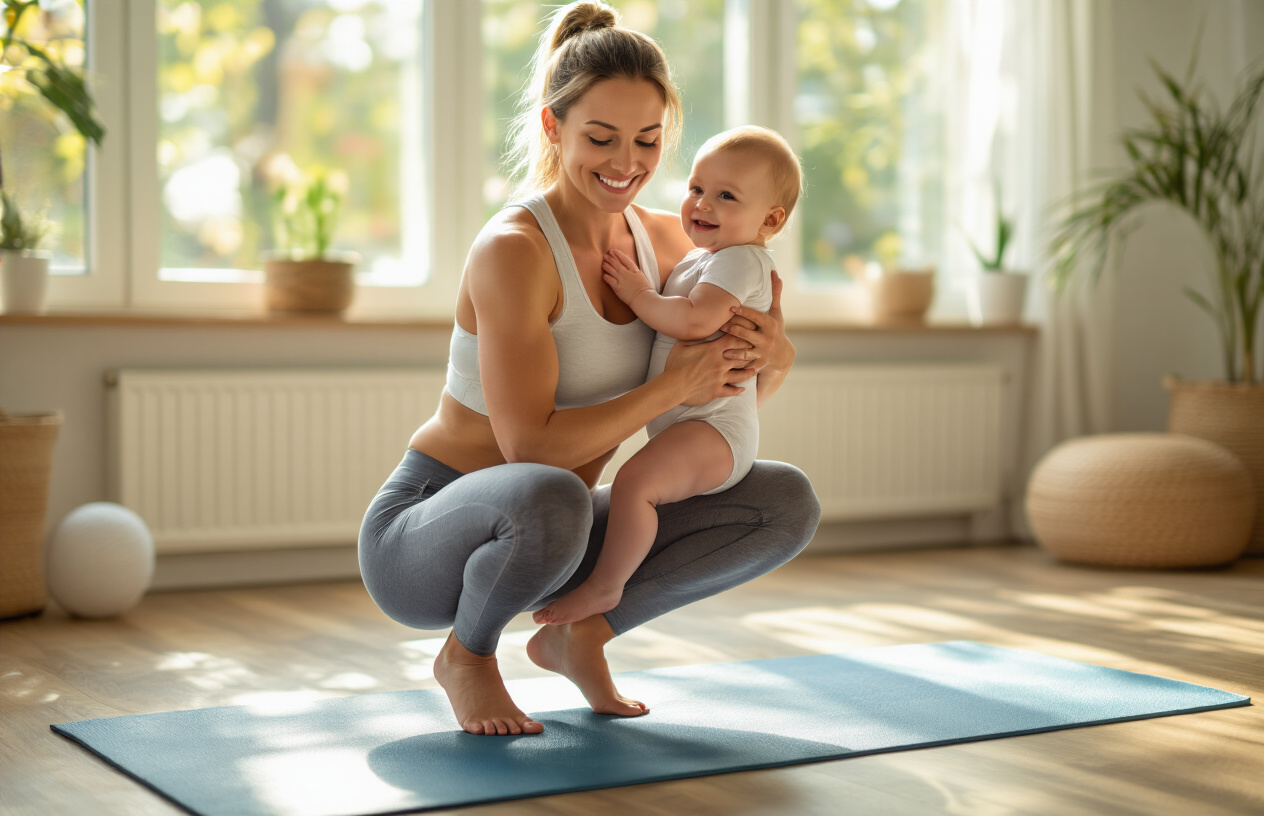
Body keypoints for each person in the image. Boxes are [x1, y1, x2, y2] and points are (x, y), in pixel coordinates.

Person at [358, 0, 820, 737]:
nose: (626, 164)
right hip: (430, 533)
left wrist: (777, 350)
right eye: (601, 138)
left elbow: (746, 368)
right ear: (553, 126)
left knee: (782, 500)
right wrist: (672, 386)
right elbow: (531, 451)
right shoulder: (515, 250)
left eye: (647, 140)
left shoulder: (674, 244)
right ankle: (466, 658)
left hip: (556, 532)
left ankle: (584, 634)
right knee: (551, 493)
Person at [533, 126, 803, 626]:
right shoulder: (707, 258)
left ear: (771, 218)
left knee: (635, 484)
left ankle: (605, 588)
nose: (702, 204)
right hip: (700, 426)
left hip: (715, 432)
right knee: (638, 484)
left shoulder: (742, 259)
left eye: (726, 196)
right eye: (697, 188)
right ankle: (600, 601)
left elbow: (695, 320)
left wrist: (639, 296)